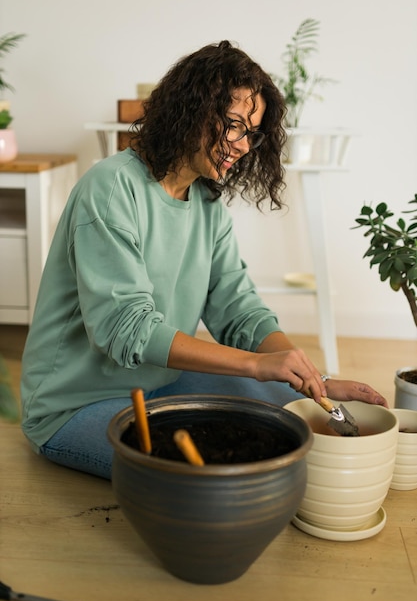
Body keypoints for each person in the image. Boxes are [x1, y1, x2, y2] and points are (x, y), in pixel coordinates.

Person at [20, 40, 387, 480]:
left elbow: (239, 311)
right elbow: (125, 329)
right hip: (75, 403)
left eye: (251, 133)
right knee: (218, 471)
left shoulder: (206, 203)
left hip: (162, 383)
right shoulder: (112, 186)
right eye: (233, 125)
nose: (242, 145)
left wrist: (315, 381)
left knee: (289, 408)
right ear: (190, 109)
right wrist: (255, 365)